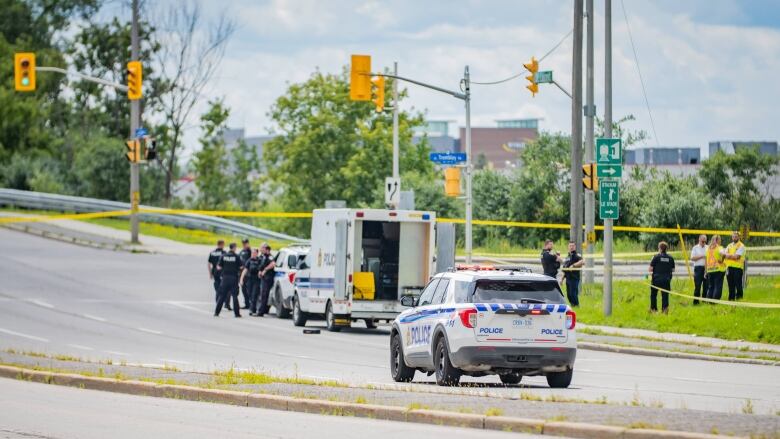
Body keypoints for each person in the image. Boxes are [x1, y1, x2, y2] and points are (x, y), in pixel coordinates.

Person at [214, 243, 242, 318]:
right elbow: (241, 266)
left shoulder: (223, 256)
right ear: (234, 248)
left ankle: (216, 312)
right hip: (233, 278)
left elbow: (218, 267)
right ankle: (237, 314)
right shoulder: (236, 256)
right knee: (235, 296)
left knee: (222, 296)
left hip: (225, 278)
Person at [649, 241, 675, 314]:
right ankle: (665, 310)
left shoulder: (656, 257)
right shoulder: (670, 258)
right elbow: (673, 269)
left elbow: (650, 269)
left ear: (659, 248)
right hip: (666, 280)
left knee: (653, 295)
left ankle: (653, 309)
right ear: (666, 249)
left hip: (656, 279)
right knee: (665, 296)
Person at [207, 240, 230, 311]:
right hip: (223, 272)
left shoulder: (212, 252)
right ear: (221, 245)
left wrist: (210, 273)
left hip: (215, 272)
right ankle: (226, 304)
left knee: (217, 289)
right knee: (226, 288)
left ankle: (218, 303)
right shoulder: (224, 253)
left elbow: (208, 264)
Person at [723, 231, 746, 301]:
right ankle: (731, 299)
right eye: (733, 236)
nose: (734, 238)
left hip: (738, 268)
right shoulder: (729, 245)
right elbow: (724, 254)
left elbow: (737, 257)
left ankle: (739, 299)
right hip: (729, 268)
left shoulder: (741, 246)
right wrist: (730, 256)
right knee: (730, 285)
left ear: (739, 237)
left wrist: (728, 255)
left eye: (736, 236)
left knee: (738, 284)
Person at [255, 243, 276, 316]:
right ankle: (263, 310)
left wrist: (265, 270)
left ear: (266, 249)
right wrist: (260, 271)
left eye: (263, 248)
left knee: (264, 295)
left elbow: (273, 264)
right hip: (264, 278)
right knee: (263, 295)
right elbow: (262, 265)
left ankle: (261, 312)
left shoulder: (270, 257)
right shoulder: (264, 256)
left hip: (268, 278)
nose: (261, 250)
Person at [561, 241, 584, 307]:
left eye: (573, 246)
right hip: (568, 278)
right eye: (570, 246)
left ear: (575, 247)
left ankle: (577, 305)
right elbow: (564, 269)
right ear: (568, 247)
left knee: (573, 293)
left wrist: (573, 265)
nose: (571, 247)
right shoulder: (567, 257)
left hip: (574, 278)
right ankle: (572, 305)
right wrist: (562, 279)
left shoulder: (577, 255)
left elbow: (582, 261)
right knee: (569, 294)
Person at [241, 248, 262, 316]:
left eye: (254, 253)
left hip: (256, 280)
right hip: (249, 280)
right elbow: (245, 270)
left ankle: (252, 310)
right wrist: (241, 279)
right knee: (249, 294)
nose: (253, 254)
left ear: (257, 253)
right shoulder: (249, 260)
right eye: (252, 253)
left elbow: (262, 268)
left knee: (254, 294)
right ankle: (253, 308)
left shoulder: (259, 260)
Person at [705, 235, 726, 301]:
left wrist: (705, 271)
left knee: (711, 287)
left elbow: (706, 260)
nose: (721, 241)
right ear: (717, 240)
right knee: (718, 286)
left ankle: (709, 300)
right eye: (720, 239)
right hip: (718, 269)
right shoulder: (719, 247)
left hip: (710, 270)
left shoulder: (708, 249)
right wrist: (722, 259)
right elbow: (723, 253)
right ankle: (715, 301)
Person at [689, 234, 708, 305]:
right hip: (698, 268)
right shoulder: (695, 248)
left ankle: (704, 301)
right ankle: (696, 302)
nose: (704, 242)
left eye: (705, 241)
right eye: (702, 241)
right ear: (699, 240)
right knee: (698, 286)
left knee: (706, 286)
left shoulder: (708, 247)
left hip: (706, 268)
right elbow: (692, 258)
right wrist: (702, 256)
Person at [238, 239, 252, 309]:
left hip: (248, 273)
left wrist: (249, 248)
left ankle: (250, 303)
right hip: (241, 273)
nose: (244, 244)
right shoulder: (241, 251)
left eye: (245, 243)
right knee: (243, 289)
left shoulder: (249, 251)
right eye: (243, 243)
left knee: (248, 289)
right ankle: (247, 303)